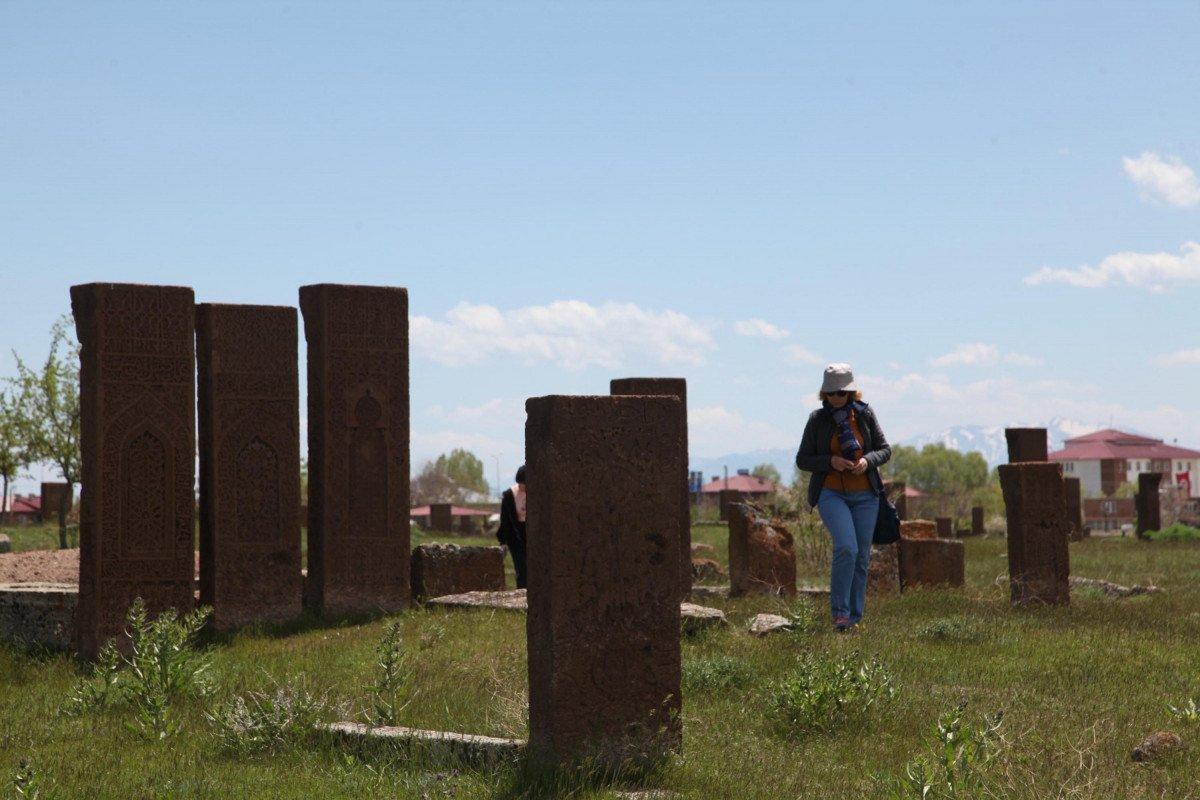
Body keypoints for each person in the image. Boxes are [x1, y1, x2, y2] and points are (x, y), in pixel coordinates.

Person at [795, 363, 891, 631]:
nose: (836, 397)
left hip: (866, 496)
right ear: (824, 394)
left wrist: (867, 462)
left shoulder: (865, 414)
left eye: (842, 392)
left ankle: (853, 619)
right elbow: (803, 460)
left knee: (861, 557)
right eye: (831, 393)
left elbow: (885, 450)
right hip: (830, 494)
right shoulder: (817, 420)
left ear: (851, 393)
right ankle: (839, 613)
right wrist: (831, 461)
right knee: (846, 547)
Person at [496, 465, 528, 589]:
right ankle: (522, 593)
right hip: (515, 536)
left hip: (532, 534)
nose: (521, 487)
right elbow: (505, 519)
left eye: (523, 484)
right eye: (519, 484)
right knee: (521, 568)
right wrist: (503, 540)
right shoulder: (509, 495)